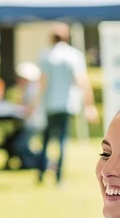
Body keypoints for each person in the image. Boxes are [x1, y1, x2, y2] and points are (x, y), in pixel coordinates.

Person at [33, 23, 98, 185]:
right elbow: (81, 80)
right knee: (61, 140)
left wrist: (34, 102)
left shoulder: (46, 55)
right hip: (67, 103)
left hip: (50, 103)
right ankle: (59, 176)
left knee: (46, 139)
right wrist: (89, 104)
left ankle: (41, 172)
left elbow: (42, 82)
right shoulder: (73, 55)